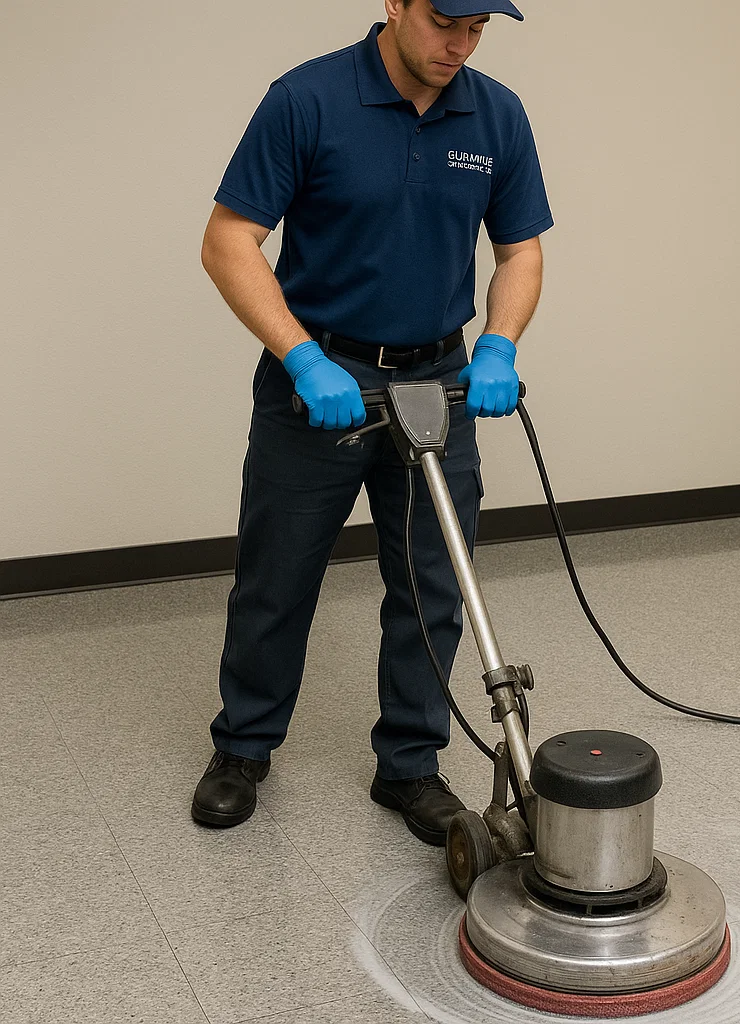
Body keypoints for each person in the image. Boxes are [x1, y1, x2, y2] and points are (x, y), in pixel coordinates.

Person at [191, 0, 552, 844]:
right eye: (443, 23)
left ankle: (410, 765)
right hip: (320, 375)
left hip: (440, 377)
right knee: (278, 577)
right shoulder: (308, 100)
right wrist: (301, 358)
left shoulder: (496, 113)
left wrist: (497, 345)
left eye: (477, 30)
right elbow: (228, 240)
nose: (458, 46)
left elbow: (521, 249)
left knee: (434, 582)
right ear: (394, 3)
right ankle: (243, 747)